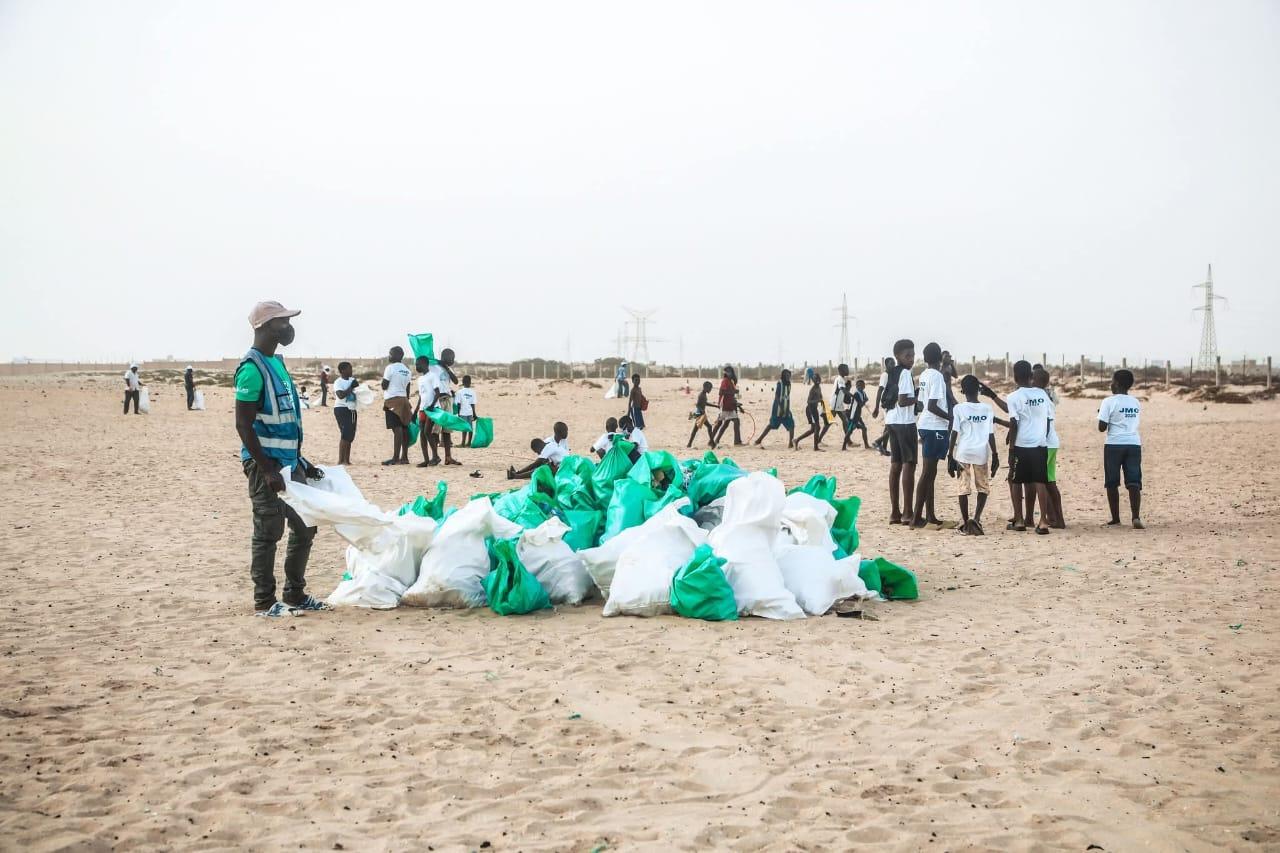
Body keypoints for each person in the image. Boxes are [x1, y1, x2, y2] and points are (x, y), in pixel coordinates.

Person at [232, 301, 329, 618]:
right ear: (264, 327)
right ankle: (264, 601)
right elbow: (243, 424)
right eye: (282, 322)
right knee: (268, 532)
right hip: (267, 466)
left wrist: (302, 462)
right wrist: (266, 468)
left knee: (305, 526)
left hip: (291, 462)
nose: (289, 328)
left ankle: (295, 594)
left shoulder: (278, 363)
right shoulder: (252, 368)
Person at [1005, 360, 1053, 534]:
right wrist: (1043, 437)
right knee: (1040, 481)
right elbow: (1048, 420)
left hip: (1021, 445)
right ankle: (1043, 521)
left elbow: (1014, 423)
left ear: (1015, 377)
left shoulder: (1013, 397)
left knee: (1016, 481)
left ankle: (1019, 520)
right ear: (1031, 375)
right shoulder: (1043, 394)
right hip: (1040, 444)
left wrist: (1011, 450)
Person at [948, 375, 999, 535]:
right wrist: (995, 454)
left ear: (962, 391)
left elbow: (954, 432)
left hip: (963, 453)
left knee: (963, 487)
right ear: (978, 389)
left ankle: (965, 523)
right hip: (981, 453)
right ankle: (976, 518)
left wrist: (950, 455)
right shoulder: (987, 409)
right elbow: (990, 434)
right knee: (982, 487)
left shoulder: (959, 409)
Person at [911, 342, 952, 529]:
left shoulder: (924, 375)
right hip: (935, 426)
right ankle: (916, 518)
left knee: (931, 473)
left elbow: (921, 403)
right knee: (927, 473)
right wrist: (950, 417)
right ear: (939, 357)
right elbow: (932, 405)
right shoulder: (937, 376)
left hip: (925, 425)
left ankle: (930, 516)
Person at [1098, 369, 1144, 529]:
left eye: (1112, 381)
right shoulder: (1135, 402)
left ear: (1116, 384)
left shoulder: (1108, 401)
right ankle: (1135, 517)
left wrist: (1102, 415)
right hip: (1133, 443)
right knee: (1134, 481)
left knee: (1112, 482)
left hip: (1114, 444)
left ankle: (1116, 518)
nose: (1111, 384)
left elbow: (1101, 427)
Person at [884, 340, 919, 525]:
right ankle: (907, 513)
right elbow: (903, 400)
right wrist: (918, 399)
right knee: (909, 464)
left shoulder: (891, 372)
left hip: (891, 421)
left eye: (913, 355)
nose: (911, 359)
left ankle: (894, 513)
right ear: (897, 356)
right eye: (908, 356)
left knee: (895, 464)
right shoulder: (905, 373)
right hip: (905, 423)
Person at [1033, 366, 1066, 528]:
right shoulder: (1047, 397)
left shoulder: (1040, 398)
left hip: (1044, 443)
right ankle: (1058, 519)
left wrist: (1039, 442)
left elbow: (1044, 423)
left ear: (1034, 381)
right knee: (1050, 482)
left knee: (1042, 481)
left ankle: (1049, 518)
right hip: (1052, 443)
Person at [419, 348, 461, 466]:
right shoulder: (433, 367)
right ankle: (435, 456)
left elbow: (456, 381)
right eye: (451, 358)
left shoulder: (448, 369)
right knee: (435, 430)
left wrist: (446, 368)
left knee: (447, 430)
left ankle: (448, 457)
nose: (453, 360)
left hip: (448, 400)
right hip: (438, 400)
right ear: (444, 357)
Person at [381, 346, 412, 466]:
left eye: (391, 354)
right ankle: (405, 457)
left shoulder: (390, 368)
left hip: (392, 400)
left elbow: (384, 386)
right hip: (404, 399)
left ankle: (395, 458)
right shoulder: (407, 370)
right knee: (404, 428)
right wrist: (406, 400)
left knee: (397, 428)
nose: (389, 356)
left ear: (398, 355)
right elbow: (408, 388)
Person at [754, 369, 795, 448]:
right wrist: (780, 407)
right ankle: (759, 440)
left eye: (789, 375)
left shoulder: (789, 384)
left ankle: (790, 443)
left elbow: (787, 396)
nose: (788, 377)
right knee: (771, 425)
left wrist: (786, 408)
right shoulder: (780, 384)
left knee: (791, 425)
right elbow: (777, 396)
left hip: (786, 409)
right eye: (787, 375)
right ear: (783, 376)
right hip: (777, 409)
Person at [790, 370, 826, 451]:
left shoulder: (818, 388)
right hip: (810, 409)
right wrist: (818, 400)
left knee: (813, 429)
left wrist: (822, 402)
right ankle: (815, 447)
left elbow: (820, 397)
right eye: (815, 379)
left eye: (818, 379)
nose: (817, 380)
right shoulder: (813, 389)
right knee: (817, 427)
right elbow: (809, 401)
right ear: (813, 380)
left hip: (814, 409)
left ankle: (796, 440)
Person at [332, 361, 359, 465]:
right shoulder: (338, 382)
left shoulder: (353, 380)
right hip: (341, 409)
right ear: (342, 370)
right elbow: (340, 395)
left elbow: (359, 393)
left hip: (352, 410)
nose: (351, 370)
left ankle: (347, 460)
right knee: (345, 434)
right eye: (349, 368)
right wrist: (351, 387)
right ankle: (340, 460)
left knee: (350, 435)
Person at [710, 365, 743, 447]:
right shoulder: (725, 381)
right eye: (728, 372)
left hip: (730, 405)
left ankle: (715, 440)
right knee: (723, 423)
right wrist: (733, 391)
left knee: (726, 423)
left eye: (730, 372)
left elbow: (731, 395)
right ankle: (736, 441)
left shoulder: (730, 381)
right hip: (724, 405)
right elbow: (721, 392)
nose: (729, 373)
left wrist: (737, 404)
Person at [869, 357, 893, 456]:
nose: (893, 365)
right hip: (886, 404)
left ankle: (883, 448)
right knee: (892, 426)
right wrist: (876, 407)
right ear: (886, 365)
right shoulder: (885, 375)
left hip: (890, 403)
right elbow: (880, 390)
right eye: (891, 363)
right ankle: (877, 442)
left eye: (894, 363)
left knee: (888, 427)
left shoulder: (890, 375)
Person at [687, 381, 716, 448]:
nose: (710, 390)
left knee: (696, 429)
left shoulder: (704, 394)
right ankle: (712, 443)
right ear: (705, 387)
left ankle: (689, 444)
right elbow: (697, 405)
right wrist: (702, 412)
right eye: (709, 388)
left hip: (700, 413)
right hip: (700, 414)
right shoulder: (701, 395)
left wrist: (715, 406)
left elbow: (705, 403)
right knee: (708, 427)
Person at [845, 378, 872, 450]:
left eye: (862, 385)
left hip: (858, 415)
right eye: (859, 385)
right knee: (851, 430)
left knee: (860, 429)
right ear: (856, 386)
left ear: (864, 386)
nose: (860, 387)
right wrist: (865, 400)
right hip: (853, 415)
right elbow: (861, 404)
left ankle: (866, 445)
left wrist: (865, 400)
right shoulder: (856, 394)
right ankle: (844, 445)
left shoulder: (863, 393)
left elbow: (864, 401)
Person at [456, 375, 478, 447]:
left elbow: (458, 404)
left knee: (464, 428)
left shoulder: (459, 392)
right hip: (470, 412)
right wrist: (474, 414)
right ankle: (469, 443)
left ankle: (463, 443)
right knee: (470, 428)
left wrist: (458, 413)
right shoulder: (472, 392)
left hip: (462, 412)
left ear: (462, 382)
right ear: (470, 382)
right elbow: (473, 404)